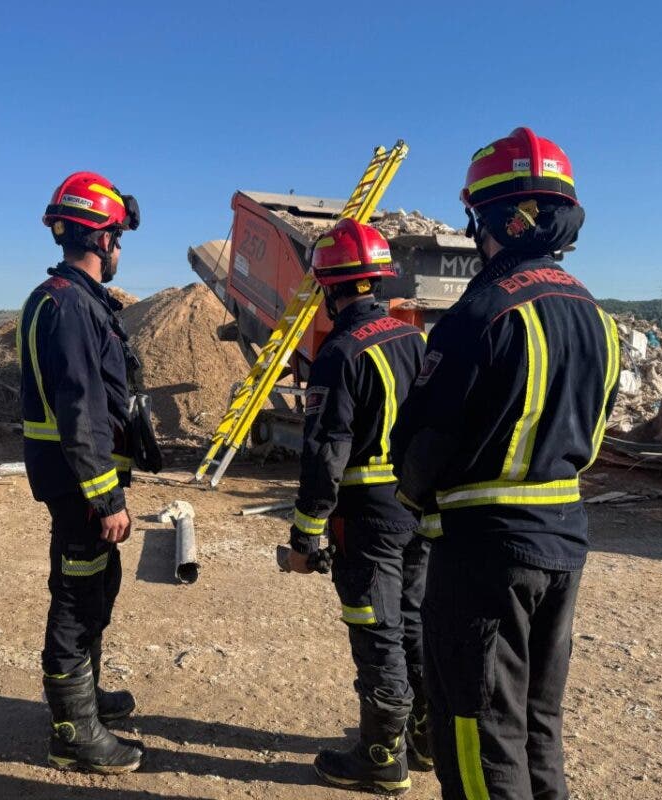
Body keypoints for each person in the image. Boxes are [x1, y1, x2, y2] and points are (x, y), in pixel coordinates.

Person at [391, 127, 620, 800]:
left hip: (485, 556)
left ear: (485, 217)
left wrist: (414, 502)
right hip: (563, 543)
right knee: (536, 725)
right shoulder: (596, 317)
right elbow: (595, 435)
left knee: (478, 731)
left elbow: (422, 447)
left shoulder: (482, 312)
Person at [285, 219, 431, 795]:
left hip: (367, 517)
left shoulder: (340, 352)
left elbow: (326, 454)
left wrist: (306, 534)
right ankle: (423, 738)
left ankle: (378, 756)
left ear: (328, 287)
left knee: (377, 630)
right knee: (414, 622)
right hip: (417, 510)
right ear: (377, 280)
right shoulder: (415, 341)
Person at [20, 171, 145, 774]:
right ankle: (72, 732)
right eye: (118, 239)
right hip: (80, 487)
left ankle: (86, 702)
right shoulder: (68, 305)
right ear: (101, 240)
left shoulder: (72, 301)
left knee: (96, 589)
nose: (120, 251)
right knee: (74, 598)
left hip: (84, 481)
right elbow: (79, 407)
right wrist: (105, 496)